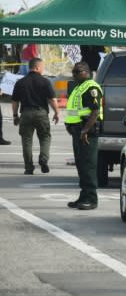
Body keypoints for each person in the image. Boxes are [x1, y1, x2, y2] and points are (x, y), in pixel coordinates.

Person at [64, 62, 103, 209]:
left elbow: (94, 111)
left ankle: (91, 199)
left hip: (87, 132)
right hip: (77, 131)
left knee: (88, 166)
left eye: (77, 72)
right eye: (73, 72)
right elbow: (74, 110)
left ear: (86, 72)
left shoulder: (91, 87)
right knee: (81, 166)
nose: (74, 75)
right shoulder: (78, 87)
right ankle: (83, 196)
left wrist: (85, 130)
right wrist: (69, 125)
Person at [11, 57, 59, 173]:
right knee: (45, 137)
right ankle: (43, 159)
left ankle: (28, 168)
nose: (43, 69)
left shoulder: (20, 82)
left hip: (25, 113)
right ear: (37, 67)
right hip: (41, 113)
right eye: (42, 67)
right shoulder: (45, 82)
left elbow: (15, 101)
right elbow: (52, 99)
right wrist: (56, 112)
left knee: (26, 141)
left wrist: (15, 115)